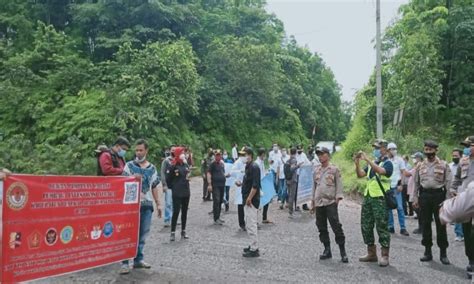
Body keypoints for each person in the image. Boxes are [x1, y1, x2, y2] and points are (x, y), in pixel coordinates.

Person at [120, 139, 162, 275]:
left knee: (143, 234)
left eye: (141, 150)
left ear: (146, 150)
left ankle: (138, 259)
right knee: (128, 233)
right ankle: (125, 262)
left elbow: (155, 186)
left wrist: (159, 203)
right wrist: (132, 178)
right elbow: (121, 184)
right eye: (136, 150)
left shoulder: (152, 168)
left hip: (147, 205)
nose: (138, 153)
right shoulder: (128, 166)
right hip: (130, 207)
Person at [355, 139, 393, 267]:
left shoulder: (388, 163)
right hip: (369, 197)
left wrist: (367, 160)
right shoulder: (374, 163)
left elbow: (381, 171)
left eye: (378, 148)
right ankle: (371, 253)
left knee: (381, 226)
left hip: (380, 199)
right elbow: (360, 174)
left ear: (385, 150)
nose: (375, 150)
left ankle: (385, 255)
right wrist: (357, 162)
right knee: (365, 225)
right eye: (375, 148)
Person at [413, 140, 451, 265]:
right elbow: (416, 183)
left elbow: (448, 183)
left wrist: (447, 200)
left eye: (430, 150)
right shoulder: (419, 165)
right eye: (426, 149)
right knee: (425, 224)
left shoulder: (444, 164)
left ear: (436, 150)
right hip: (424, 196)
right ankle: (427, 252)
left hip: (439, 196)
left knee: (441, 225)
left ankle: (443, 253)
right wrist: (415, 198)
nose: (428, 152)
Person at [311, 147, 348, 263]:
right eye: (318, 155)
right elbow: (314, 186)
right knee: (321, 226)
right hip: (319, 202)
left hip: (330, 202)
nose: (320, 156)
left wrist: (337, 198)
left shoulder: (334, 169)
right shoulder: (316, 170)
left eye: (322, 154)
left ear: (327, 155)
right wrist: (312, 201)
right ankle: (327, 250)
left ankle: (343, 251)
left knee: (336, 226)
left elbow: (339, 185)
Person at [449, 136, 474, 275]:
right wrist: (453, 189)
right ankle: (471, 259)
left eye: (469, 145)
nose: (466, 148)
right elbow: (457, 178)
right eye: (465, 145)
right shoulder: (463, 162)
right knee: (467, 232)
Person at [236, 147, 261, 257]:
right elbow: (249, 182)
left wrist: (250, 198)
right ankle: (252, 245)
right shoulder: (248, 166)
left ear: (250, 155)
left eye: (244, 154)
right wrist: (241, 183)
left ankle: (254, 248)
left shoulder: (254, 167)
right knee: (249, 223)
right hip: (246, 198)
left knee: (251, 224)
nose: (243, 157)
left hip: (251, 200)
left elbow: (255, 185)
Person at [166, 147, 191, 242]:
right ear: (177, 154)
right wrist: (174, 187)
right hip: (177, 192)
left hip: (186, 192)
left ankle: (183, 231)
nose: (183, 154)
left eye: (184, 152)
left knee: (184, 212)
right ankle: (172, 232)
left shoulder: (185, 165)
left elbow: (187, 175)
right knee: (176, 212)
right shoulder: (172, 166)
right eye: (182, 152)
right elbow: (168, 180)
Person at [386, 143, 409, 236]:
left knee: (400, 207)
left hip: (396, 186)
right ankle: (391, 226)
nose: (394, 150)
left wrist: (401, 184)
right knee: (389, 207)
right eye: (392, 149)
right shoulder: (386, 160)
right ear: (388, 150)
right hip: (387, 186)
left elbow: (403, 172)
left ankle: (403, 227)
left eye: (395, 149)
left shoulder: (399, 160)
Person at [207, 150, 227, 225]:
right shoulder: (212, 164)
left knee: (221, 201)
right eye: (217, 155)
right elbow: (208, 173)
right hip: (215, 185)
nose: (218, 156)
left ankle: (218, 217)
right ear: (215, 156)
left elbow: (222, 173)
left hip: (222, 185)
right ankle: (216, 218)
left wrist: (225, 176)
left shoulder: (222, 164)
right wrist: (209, 184)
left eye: (219, 155)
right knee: (216, 200)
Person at [407, 152, 424, 234]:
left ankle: (422, 227)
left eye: (415, 157)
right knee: (417, 208)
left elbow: (408, 174)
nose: (414, 159)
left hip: (418, 190)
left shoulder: (420, 166)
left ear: (419, 158)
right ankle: (421, 227)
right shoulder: (416, 166)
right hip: (414, 189)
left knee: (418, 209)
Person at [449, 149, 464, 242]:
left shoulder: (465, 165)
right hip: (454, 192)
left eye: (456, 156)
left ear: (461, 156)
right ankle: (459, 233)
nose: (454, 157)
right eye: (453, 156)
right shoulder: (450, 166)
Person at [232, 148, 247, 231]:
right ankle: (242, 223)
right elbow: (232, 172)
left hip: (246, 185)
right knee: (241, 205)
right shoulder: (237, 163)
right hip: (240, 185)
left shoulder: (246, 162)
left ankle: (248, 222)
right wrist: (240, 172)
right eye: (243, 155)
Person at [256, 148, 272, 224]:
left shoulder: (261, 162)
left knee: (267, 200)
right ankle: (255, 221)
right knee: (257, 202)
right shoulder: (257, 163)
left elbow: (262, 173)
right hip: (259, 183)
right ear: (262, 154)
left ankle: (264, 217)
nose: (265, 156)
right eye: (264, 154)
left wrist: (266, 173)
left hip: (263, 182)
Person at [287, 148, 302, 218]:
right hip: (293, 180)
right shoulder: (293, 160)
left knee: (290, 195)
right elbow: (292, 169)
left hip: (288, 179)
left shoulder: (288, 159)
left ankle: (291, 210)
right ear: (295, 152)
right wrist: (298, 166)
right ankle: (290, 212)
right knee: (291, 196)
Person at [161, 147, 174, 228]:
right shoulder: (166, 161)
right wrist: (164, 184)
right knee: (168, 203)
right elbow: (162, 172)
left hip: (176, 186)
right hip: (168, 185)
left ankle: (174, 218)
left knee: (175, 204)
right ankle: (167, 219)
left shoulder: (179, 160)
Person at [296, 145, 311, 211]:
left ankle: (304, 205)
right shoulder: (295, 156)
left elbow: (308, 163)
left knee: (303, 191)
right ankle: (296, 205)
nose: (300, 151)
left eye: (301, 150)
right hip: (297, 175)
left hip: (303, 175)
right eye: (298, 150)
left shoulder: (304, 155)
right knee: (297, 191)